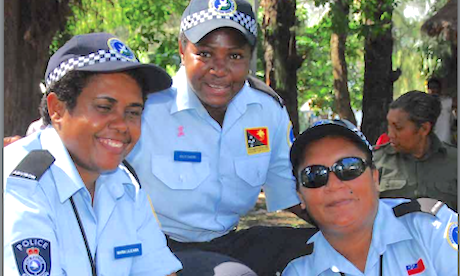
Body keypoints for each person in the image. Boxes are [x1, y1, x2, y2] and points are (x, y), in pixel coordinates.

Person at [127, 0, 316, 275]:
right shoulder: (146, 109)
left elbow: (288, 192)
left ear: (250, 57)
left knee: (326, 247)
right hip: (157, 247)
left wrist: (353, 224)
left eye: (235, 56)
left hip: (228, 242)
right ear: (182, 50)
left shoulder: (266, 111)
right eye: (204, 54)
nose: (219, 69)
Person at [4, 32, 182, 276]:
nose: (122, 125)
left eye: (133, 112)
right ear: (57, 109)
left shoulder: (124, 183)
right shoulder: (20, 187)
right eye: (104, 107)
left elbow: (160, 271)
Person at [283, 119, 458, 275]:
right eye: (314, 175)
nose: (334, 184)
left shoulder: (432, 228)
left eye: (349, 167)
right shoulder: (299, 268)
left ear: (375, 178)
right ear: (300, 196)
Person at [374, 91, 457, 211]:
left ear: (424, 128)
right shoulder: (375, 162)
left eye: (398, 128)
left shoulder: (455, 163)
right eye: (389, 125)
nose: (390, 134)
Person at [426, 77, 454, 143]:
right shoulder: (425, 103)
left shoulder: (447, 102)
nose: (433, 90)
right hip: (432, 143)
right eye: (430, 88)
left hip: (445, 141)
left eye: (435, 87)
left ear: (440, 89)